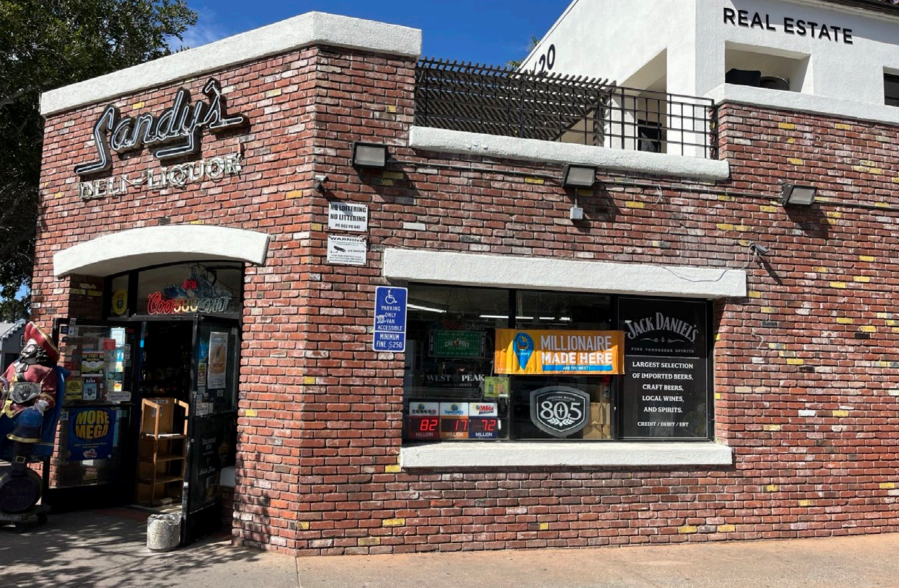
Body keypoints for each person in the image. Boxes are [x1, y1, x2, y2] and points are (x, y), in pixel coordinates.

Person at [0, 322, 61, 462]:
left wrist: (39, 406)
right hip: (4, 409)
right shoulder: (13, 365)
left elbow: (48, 393)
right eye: (26, 345)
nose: (26, 349)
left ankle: (19, 461)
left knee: (30, 418)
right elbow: (3, 382)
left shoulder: (46, 371)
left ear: (39, 350)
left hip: (23, 409)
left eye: (31, 346)